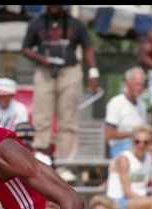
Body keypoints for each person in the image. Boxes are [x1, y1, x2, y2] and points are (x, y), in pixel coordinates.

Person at [22, 5, 100, 161]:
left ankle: (66, 162)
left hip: (69, 71)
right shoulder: (37, 22)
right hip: (45, 71)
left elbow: (88, 47)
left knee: (68, 118)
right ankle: (41, 159)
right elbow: (25, 48)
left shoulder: (75, 23)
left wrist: (93, 72)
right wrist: (43, 60)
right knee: (42, 117)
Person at [104, 67, 148, 158]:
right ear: (128, 84)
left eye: (142, 85)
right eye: (137, 84)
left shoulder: (142, 104)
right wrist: (133, 134)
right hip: (120, 147)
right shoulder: (116, 102)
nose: (140, 88)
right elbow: (109, 134)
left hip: (140, 145)